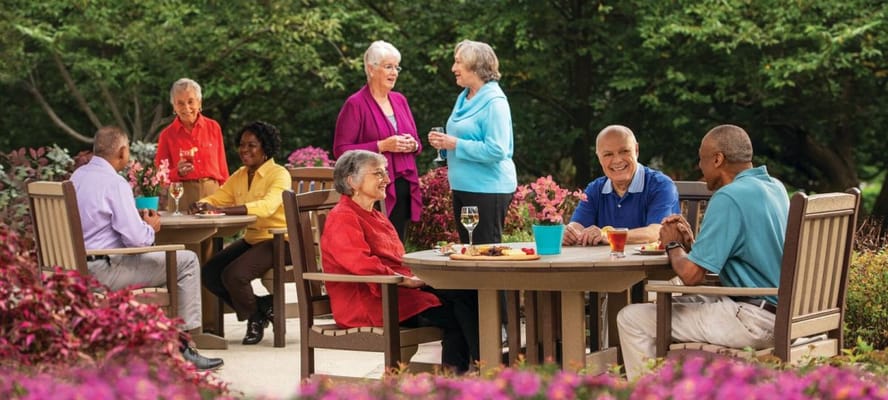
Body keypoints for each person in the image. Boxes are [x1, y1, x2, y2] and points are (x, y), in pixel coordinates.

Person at [616, 124, 790, 380]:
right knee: (667, 307)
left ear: (717, 159)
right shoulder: (775, 188)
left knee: (631, 318)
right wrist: (691, 247)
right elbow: (744, 256)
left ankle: (649, 394)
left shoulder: (729, 197)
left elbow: (692, 277)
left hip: (751, 321)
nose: (700, 166)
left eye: (702, 158)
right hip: (782, 315)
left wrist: (673, 245)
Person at [71, 126, 223, 371]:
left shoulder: (76, 178)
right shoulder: (114, 183)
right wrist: (150, 227)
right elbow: (137, 241)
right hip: (104, 271)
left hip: (73, 269)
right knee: (186, 260)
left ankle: (155, 339)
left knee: (170, 261)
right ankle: (183, 347)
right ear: (122, 152)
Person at [321, 150, 479, 373]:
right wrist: (405, 280)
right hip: (368, 301)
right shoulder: (343, 217)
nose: (386, 179)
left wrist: (418, 277)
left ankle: (468, 374)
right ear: (351, 181)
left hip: (395, 292)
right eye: (378, 173)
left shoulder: (375, 214)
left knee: (467, 292)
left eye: (385, 172)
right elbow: (360, 263)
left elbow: (397, 257)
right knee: (458, 314)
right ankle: (470, 375)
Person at [192, 121, 292, 345]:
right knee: (210, 272)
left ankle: (254, 318)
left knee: (234, 275)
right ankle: (261, 309)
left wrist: (222, 210)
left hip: (280, 240)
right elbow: (218, 198)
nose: (244, 149)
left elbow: (267, 206)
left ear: (265, 148)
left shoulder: (279, 174)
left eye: (252, 145)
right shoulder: (240, 175)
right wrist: (202, 203)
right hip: (253, 239)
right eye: (242, 144)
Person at [428, 39, 517, 245]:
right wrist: (444, 145)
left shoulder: (495, 102)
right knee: (470, 253)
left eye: (458, 62)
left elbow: (497, 149)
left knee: (486, 256)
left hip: (487, 189)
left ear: (475, 66)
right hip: (462, 187)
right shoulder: (464, 98)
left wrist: (455, 144)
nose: (453, 68)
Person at [333, 40, 422, 241]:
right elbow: (341, 151)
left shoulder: (400, 100)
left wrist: (413, 144)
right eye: (388, 67)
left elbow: (417, 143)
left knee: (398, 242)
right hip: (371, 189)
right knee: (378, 242)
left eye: (396, 67)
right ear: (371, 69)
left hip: (403, 183)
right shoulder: (355, 104)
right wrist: (382, 146)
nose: (394, 72)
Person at [564, 125, 679, 246]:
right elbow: (577, 227)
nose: (617, 160)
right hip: (603, 263)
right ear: (599, 158)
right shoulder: (594, 189)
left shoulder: (661, 185)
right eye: (608, 154)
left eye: (624, 151)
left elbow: (657, 231)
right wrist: (569, 234)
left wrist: (609, 235)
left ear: (636, 150)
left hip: (649, 263)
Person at [155, 78, 229, 213]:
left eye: (191, 101)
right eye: (180, 103)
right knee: (184, 234)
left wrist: (228, 196)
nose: (186, 108)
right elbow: (160, 176)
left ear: (199, 102)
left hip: (213, 194)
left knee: (213, 234)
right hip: (181, 195)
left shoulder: (213, 127)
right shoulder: (167, 135)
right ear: (174, 107)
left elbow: (223, 169)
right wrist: (177, 172)